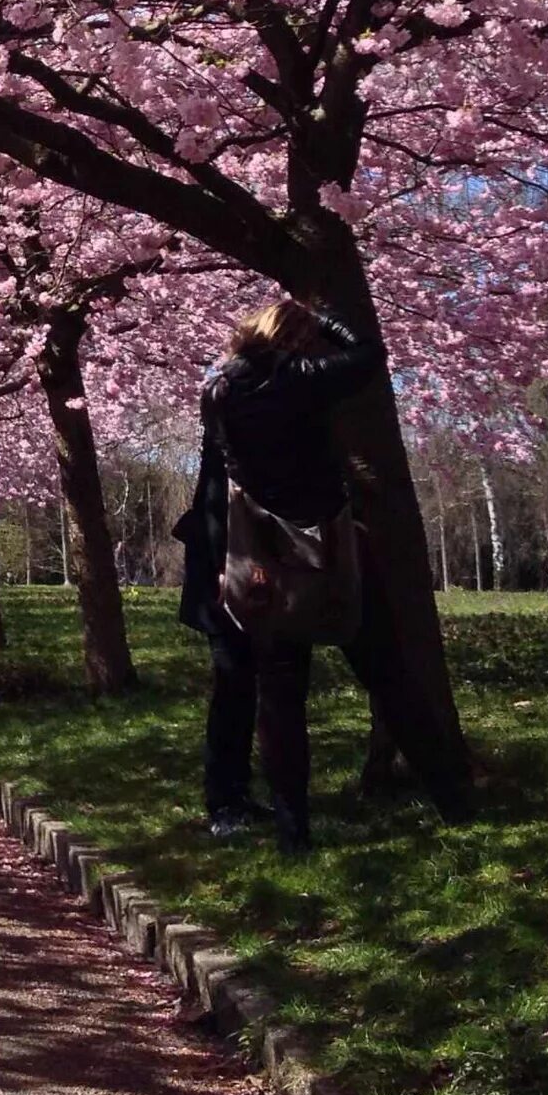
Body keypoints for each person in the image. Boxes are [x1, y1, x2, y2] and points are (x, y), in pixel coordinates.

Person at [178, 300, 381, 851]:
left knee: (233, 682)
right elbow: (369, 355)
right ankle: (272, 813)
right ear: (298, 339)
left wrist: (219, 564)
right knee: (277, 686)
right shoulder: (302, 379)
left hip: (226, 549)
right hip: (277, 555)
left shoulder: (219, 388)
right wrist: (328, 322)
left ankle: (228, 800)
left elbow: (213, 478)